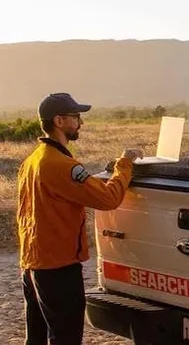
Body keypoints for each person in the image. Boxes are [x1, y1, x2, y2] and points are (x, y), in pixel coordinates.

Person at [16, 93, 143, 345]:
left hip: (31, 263)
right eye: (76, 117)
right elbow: (108, 199)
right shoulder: (61, 165)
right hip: (58, 268)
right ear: (60, 121)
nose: (81, 123)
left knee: (37, 336)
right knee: (66, 336)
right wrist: (125, 164)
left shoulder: (32, 161)